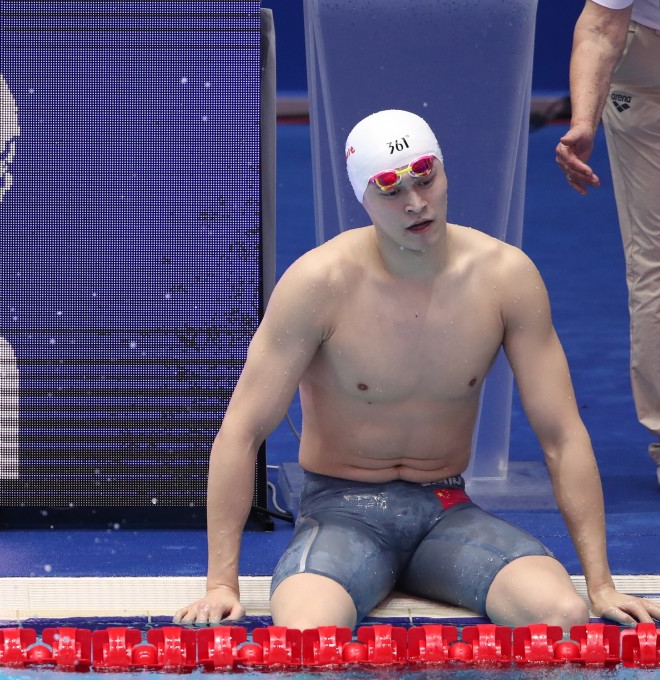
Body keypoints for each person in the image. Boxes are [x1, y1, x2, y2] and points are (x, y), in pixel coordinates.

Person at [174, 109, 660, 631]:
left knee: (560, 615)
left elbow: (562, 435)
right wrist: (221, 584)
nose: (414, 203)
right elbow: (241, 432)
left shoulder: (505, 277)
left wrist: (601, 582)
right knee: (308, 636)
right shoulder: (320, 283)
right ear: (363, 199)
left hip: (446, 509)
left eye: (426, 179)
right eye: (391, 192)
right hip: (341, 512)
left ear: (444, 172)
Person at [556, 0, 660, 487]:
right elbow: (600, 26)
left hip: (643, 56)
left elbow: (602, 24)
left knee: (654, 260)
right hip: (646, 76)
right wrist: (585, 119)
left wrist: (584, 120)